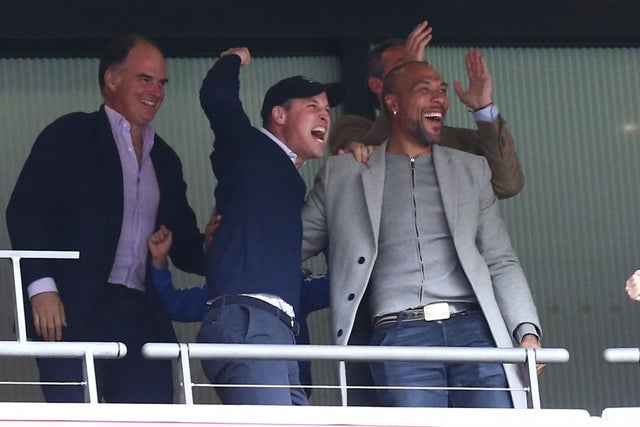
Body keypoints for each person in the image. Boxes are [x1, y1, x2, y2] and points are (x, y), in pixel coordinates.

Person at [301, 61, 542, 408]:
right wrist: (233, 233)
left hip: (475, 332)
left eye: (442, 91)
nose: (439, 99)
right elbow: (289, 245)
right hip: (399, 335)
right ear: (392, 102)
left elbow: (500, 260)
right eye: (424, 90)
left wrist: (527, 332)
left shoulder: (470, 169)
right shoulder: (345, 175)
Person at [5, 34, 205, 403]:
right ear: (111, 80)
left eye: (162, 83)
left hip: (142, 316)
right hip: (72, 308)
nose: (156, 91)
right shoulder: (70, 134)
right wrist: (42, 288)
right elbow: (26, 211)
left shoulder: (166, 158)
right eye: (144, 79)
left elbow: (187, 246)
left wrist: (229, 241)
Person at [196, 46, 344, 405]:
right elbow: (216, 95)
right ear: (278, 115)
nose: (324, 116)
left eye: (327, 110)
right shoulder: (250, 146)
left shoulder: (285, 176)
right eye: (312, 107)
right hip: (249, 321)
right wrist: (234, 58)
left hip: (276, 330)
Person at [327, 21, 524, 199]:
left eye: (421, 68)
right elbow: (368, 163)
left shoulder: (459, 141)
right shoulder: (351, 128)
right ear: (378, 85)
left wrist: (484, 108)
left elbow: (507, 185)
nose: (417, 73)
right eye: (404, 67)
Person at [147, 225, 330, 397]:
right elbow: (173, 305)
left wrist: (337, 235)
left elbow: (343, 287)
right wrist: (159, 261)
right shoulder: (224, 291)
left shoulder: (296, 284)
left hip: (297, 393)